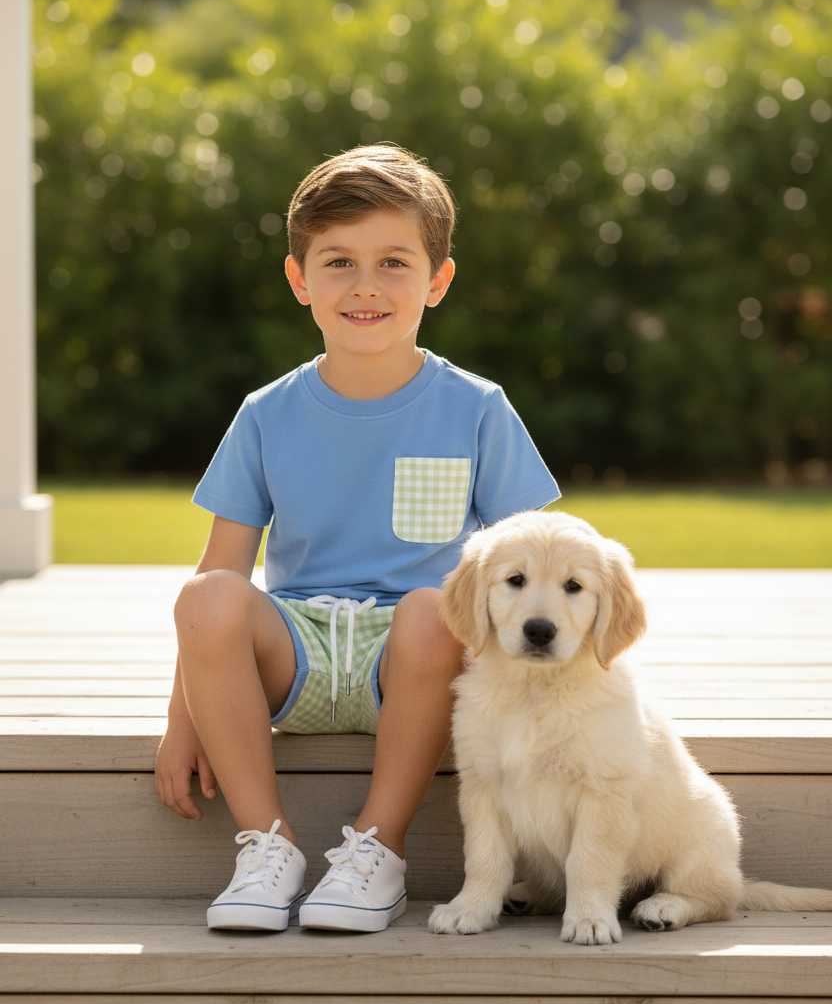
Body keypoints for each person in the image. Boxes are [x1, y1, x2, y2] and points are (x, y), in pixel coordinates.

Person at [154, 143, 560, 934]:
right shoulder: (265, 414)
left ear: (438, 281)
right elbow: (218, 583)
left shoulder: (476, 410)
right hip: (297, 652)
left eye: (394, 263)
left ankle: (378, 849)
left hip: (416, 662)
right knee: (205, 596)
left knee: (430, 606)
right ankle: (267, 848)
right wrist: (182, 725)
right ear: (299, 279)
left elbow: (537, 569)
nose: (365, 286)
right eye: (337, 262)